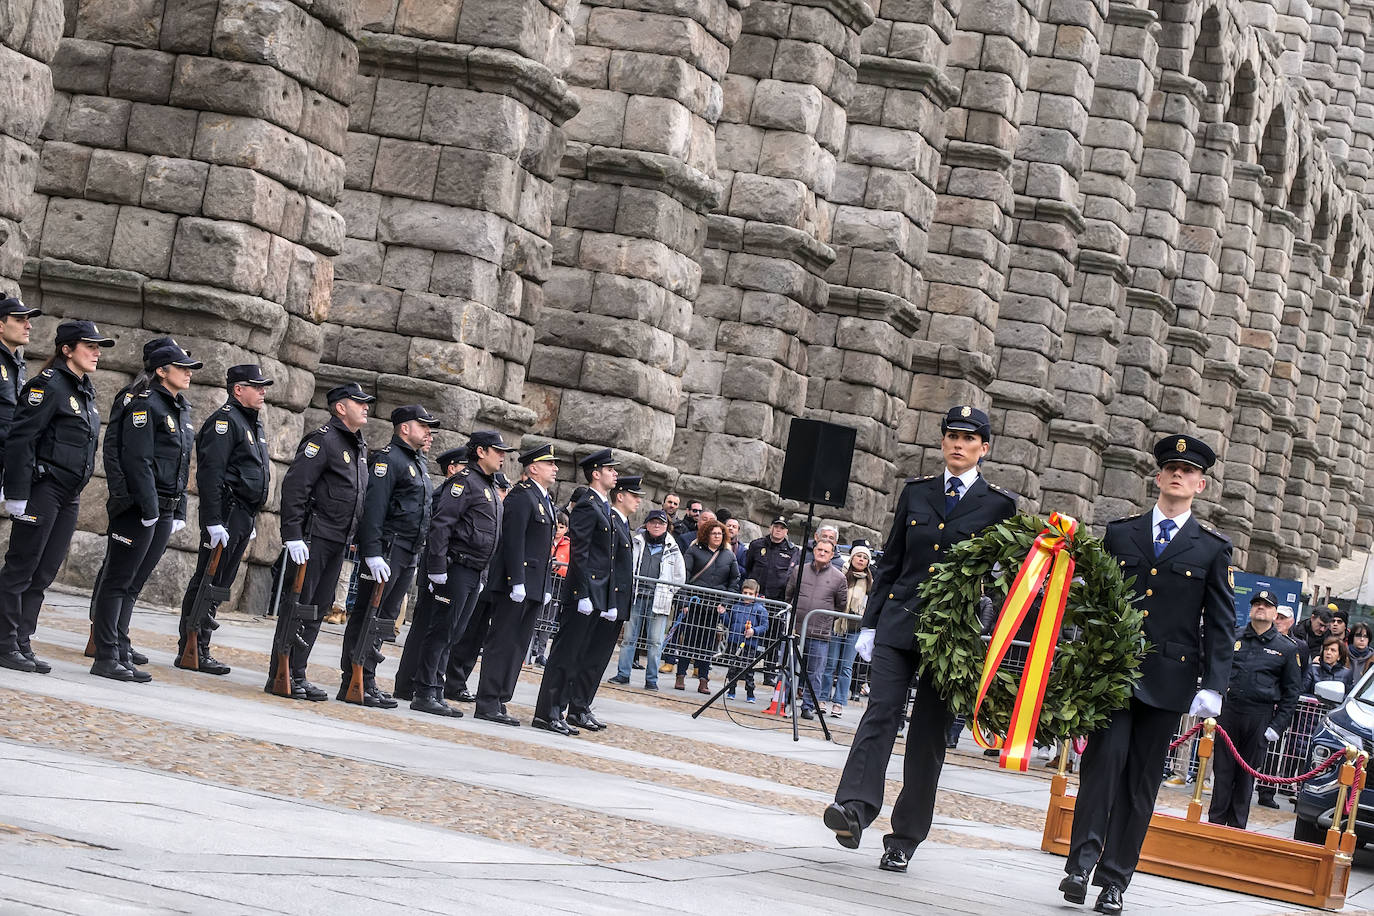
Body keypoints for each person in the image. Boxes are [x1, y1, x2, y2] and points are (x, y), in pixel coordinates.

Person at [824, 405, 1017, 873]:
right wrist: (870, 624)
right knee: (880, 713)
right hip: (899, 621)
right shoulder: (916, 493)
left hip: (951, 636)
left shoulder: (998, 505)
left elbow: (1004, 577)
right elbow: (890, 562)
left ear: (983, 449)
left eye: (968, 439)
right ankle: (854, 807)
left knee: (928, 735)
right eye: (951, 435)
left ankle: (905, 837)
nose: (957, 444)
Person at [1060, 434, 1234, 915]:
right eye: (1170, 468)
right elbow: (1093, 600)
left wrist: (1214, 686)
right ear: (1158, 477)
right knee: (1101, 767)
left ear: (1200, 484)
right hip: (1113, 675)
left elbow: (1220, 624)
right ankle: (1079, 866)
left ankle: (1115, 879)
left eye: (1187, 471)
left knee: (1140, 784)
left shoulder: (1212, 549)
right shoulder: (1121, 534)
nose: (1177, 474)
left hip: (1168, 681)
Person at [0, 320, 112, 672]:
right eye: (89, 346)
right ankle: (4, 641)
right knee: (22, 565)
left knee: (44, 571)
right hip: (43, 489)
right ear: (66, 349)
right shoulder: (47, 386)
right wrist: (17, 492)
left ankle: (21, 639)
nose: (96, 352)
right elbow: (22, 439)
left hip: (69, 494)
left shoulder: (83, 390)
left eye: (98, 347)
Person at [89, 341, 200, 682]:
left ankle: (120, 647)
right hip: (140, 508)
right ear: (162, 371)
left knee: (133, 584)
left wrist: (177, 506)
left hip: (163, 507)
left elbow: (181, 465)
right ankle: (106, 654)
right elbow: (138, 461)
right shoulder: (145, 404)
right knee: (118, 580)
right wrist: (149, 508)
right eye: (181, 367)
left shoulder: (180, 408)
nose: (188, 373)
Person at [269, 382, 373, 700]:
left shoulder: (358, 446)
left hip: (339, 540)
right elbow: (296, 487)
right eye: (359, 402)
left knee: (317, 609)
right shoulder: (323, 440)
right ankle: (281, 673)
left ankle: (297, 672)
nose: (366, 407)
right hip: (315, 537)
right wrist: (293, 535)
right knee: (298, 607)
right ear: (341, 407)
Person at [337, 404, 437, 708]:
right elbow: (375, 509)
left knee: (384, 619)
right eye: (423, 426)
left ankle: (368, 677)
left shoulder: (416, 462)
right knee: (368, 613)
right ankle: (353, 679)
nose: (428, 432)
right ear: (404, 428)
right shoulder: (388, 460)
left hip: (409, 550)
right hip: (389, 548)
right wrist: (373, 551)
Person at [405, 430, 511, 716]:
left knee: (454, 633)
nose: (502, 456)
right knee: (440, 631)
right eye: (497, 450)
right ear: (480, 452)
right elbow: (442, 525)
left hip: (475, 571)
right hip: (457, 568)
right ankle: (424, 690)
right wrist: (437, 567)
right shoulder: (464, 483)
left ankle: (436, 690)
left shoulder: (486, 485)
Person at [176, 364, 273, 674]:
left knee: (220, 583)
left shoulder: (251, 423)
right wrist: (213, 519)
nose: (262, 392)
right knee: (208, 577)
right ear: (237, 390)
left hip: (243, 514)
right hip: (226, 513)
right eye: (256, 386)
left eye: (263, 387)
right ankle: (191, 645)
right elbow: (211, 474)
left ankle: (202, 643)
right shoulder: (225, 421)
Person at [533, 449, 619, 735]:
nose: (614, 473)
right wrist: (582, 592)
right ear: (596, 473)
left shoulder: (603, 505)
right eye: (610, 469)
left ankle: (560, 709)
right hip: (583, 592)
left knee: (577, 655)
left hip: (595, 592)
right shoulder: (587, 504)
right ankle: (547, 712)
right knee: (565, 653)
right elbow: (580, 552)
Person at [473, 443, 560, 726]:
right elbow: (513, 542)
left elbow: (545, 548)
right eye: (550, 464)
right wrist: (516, 581)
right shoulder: (522, 497)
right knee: (503, 642)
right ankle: (487, 700)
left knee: (519, 644)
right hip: (516, 584)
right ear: (533, 468)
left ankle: (500, 697)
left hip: (534, 585)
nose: (555, 468)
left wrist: (545, 585)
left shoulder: (544, 499)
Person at [1207, 590, 1301, 829]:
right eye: (1256, 604)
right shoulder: (1234, 637)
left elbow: (1291, 693)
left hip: (1259, 717)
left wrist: (1276, 726)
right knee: (1223, 772)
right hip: (1229, 713)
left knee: (1246, 777)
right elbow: (1216, 670)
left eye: (1266, 605)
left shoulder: (1286, 648)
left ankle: (1237, 828)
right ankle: (1215, 825)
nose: (1261, 608)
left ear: (1274, 613)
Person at [391, 445, 469, 701]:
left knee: (437, 630)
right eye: (464, 467)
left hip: (440, 570)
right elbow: (437, 534)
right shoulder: (445, 493)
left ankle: (420, 682)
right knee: (423, 628)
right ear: (452, 469)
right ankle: (407, 684)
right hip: (435, 570)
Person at [567, 474, 641, 730]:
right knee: (589, 658)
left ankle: (583, 705)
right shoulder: (611, 520)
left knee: (598, 660)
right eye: (634, 496)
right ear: (620, 496)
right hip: (606, 600)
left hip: (616, 603)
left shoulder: (622, 524)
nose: (638, 501)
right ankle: (576, 706)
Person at [609, 508, 685, 690]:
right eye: (653, 522)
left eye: (661, 523)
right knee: (628, 638)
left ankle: (651, 679)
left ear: (667, 526)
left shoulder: (672, 547)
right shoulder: (637, 541)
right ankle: (623, 674)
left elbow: (679, 576)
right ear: (647, 524)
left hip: (659, 599)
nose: (657, 525)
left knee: (655, 641)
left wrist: (668, 592)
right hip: (636, 596)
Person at [675, 517, 739, 693]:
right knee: (688, 641)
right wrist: (684, 602)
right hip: (695, 604)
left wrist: (725, 603)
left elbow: (734, 582)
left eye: (720, 533)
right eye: (714, 533)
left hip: (714, 606)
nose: (717, 536)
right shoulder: (694, 551)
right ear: (706, 534)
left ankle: (704, 679)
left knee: (707, 644)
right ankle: (680, 675)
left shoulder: (729, 555)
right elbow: (684, 577)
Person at [789, 539, 848, 718]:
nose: (821, 553)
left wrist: (825, 619)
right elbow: (789, 595)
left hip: (820, 633)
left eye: (826, 551)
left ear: (832, 555)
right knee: (789, 666)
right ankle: (785, 699)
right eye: (819, 549)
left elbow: (841, 606)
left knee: (815, 672)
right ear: (814, 551)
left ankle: (808, 706)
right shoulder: (799, 571)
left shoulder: (839, 578)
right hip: (797, 630)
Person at [744, 516, 800, 686]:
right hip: (756, 599)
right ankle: (743, 668)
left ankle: (769, 673)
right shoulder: (757, 545)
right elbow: (748, 567)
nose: (778, 530)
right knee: (749, 634)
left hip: (776, 601)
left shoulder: (792, 550)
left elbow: (791, 576)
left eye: (782, 528)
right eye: (776, 527)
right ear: (770, 528)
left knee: (773, 639)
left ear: (786, 531)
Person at [824, 543, 872, 717]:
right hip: (837, 625)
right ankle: (823, 698)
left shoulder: (870, 581)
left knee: (846, 667)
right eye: (859, 556)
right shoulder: (841, 575)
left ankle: (839, 703)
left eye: (865, 557)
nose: (861, 559)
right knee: (830, 664)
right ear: (852, 558)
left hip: (855, 629)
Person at [0, 297, 40, 488]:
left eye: (28, 319)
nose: (28, 326)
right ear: (1, 326)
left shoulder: (17, 362)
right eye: (19, 320)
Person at [723, 579, 768, 701]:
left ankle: (750, 693)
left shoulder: (760, 609)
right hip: (734, 642)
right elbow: (729, 623)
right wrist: (723, 614)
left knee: (748, 670)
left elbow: (764, 626)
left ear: (756, 595)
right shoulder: (736, 607)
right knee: (732, 668)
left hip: (750, 644)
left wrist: (754, 631)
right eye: (745, 593)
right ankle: (731, 690)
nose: (747, 596)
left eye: (750, 594)